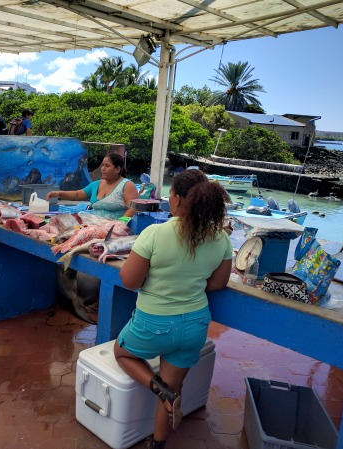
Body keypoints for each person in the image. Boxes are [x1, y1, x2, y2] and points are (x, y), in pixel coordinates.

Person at [113, 170, 232, 449]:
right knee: (174, 388)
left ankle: (158, 387)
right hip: (195, 325)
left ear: (176, 200)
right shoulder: (221, 238)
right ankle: (157, 442)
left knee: (122, 353)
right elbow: (217, 283)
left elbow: (129, 281)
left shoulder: (155, 233)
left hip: (153, 323)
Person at [46, 153, 138, 219]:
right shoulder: (96, 184)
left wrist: (119, 224)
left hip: (115, 229)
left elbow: (133, 208)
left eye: (107, 166)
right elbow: (77, 194)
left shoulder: (127, 185)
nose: (103, 169)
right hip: (94, 224)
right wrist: (58, 193)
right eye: (102, 165)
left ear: (117, 169)